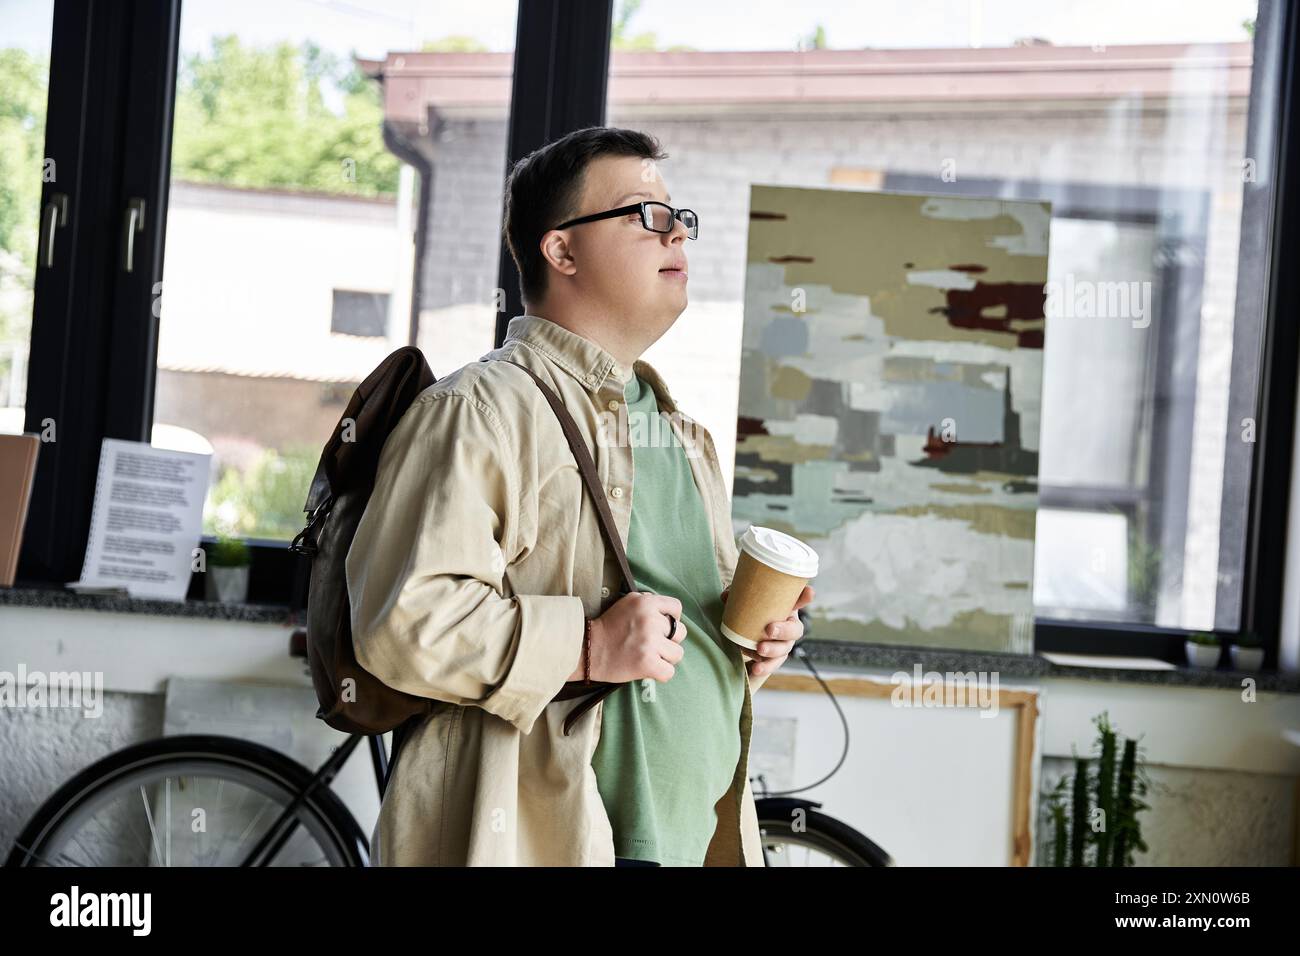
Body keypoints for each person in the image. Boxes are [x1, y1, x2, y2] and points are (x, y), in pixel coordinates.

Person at [345, 126, 814, 866]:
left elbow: (678, 617)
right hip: (557, 842)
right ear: (560, 251)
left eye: (678, 216)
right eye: (644, 215)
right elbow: (402, 625)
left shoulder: (682, 434)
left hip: (694, 839)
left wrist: (753, 643)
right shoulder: (479, 411)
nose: (676, 234)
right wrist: (590, 646)